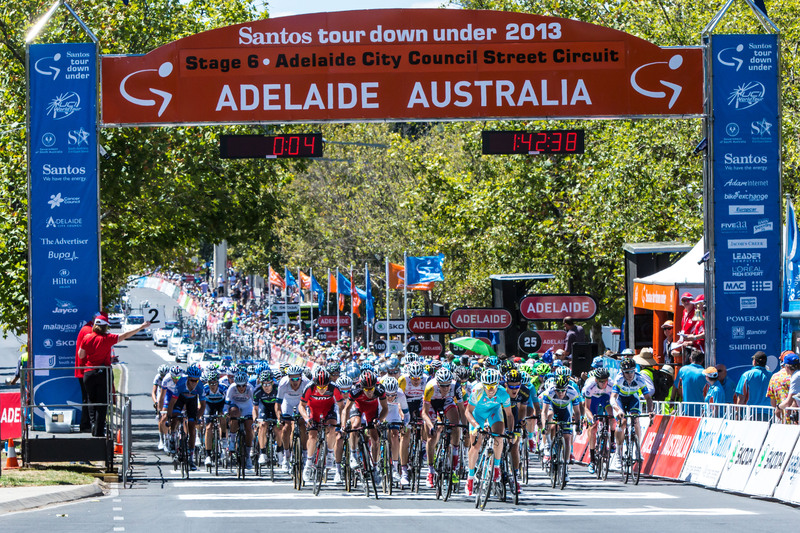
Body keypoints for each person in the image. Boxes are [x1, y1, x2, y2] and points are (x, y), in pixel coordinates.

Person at [78, 313, 151, 436]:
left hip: (89, 373)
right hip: (103, 372)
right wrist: (140, 327)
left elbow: (81, 355)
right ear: (105, 327)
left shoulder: (87, 338)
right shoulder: (108, 338)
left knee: (91, 399)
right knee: (102, 401)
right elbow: (126, 335)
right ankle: (99, 430)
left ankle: (93, 423)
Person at [464, 369, 514, 496]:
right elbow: (467, 412)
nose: (491, 389)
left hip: (494, 413)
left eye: (493, 386)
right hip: (477, 415)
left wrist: (511, 432)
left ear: (498, 384)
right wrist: (475, 426)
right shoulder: (477, 391)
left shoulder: (503, 393)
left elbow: (509, 414)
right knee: (476, 446)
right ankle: (470, 478)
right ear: (483, 385)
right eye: (487, 386)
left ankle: (496, 467)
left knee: (499, 437)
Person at [674, 349, 706, 415]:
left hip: (685, 410)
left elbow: (675, 386)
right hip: (701, 411)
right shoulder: (705, 373)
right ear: (702, 361)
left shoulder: (683, 370)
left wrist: (672, 399)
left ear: (690, 359)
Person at [769, 353, 797, 421]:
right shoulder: (795, 376)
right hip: (795, 417)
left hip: (784, 417)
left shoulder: (775, 377)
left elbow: (773, 400)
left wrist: (778, 407)